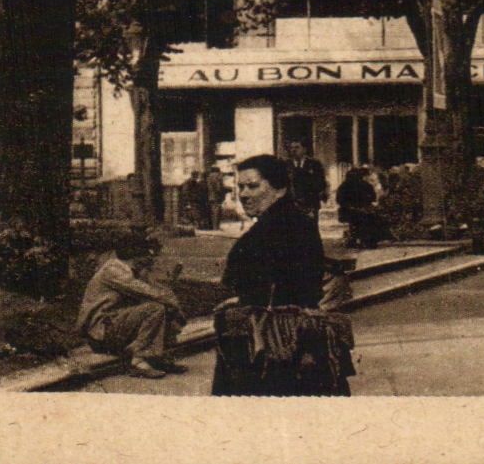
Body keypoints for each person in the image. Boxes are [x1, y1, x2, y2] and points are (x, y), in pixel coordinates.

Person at [212, 154, 352, 396]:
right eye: (240, 187)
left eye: (253, 186)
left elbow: (283, 286)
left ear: (279, 189)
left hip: (274, 342)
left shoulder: (278, 227)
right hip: (289, 335)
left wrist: (246, 302)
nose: (244, 194)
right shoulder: (289, 222)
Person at [77, 232, 186, 379]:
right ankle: (137, 361)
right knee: (155, 308)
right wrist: (175, 306)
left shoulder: (132, 271)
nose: (151, 258)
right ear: (136, 255)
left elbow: (159, 291)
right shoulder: (113, 270)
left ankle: (157, 357)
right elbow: (149, 292)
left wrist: (172, 304)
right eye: (147, 253)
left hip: (115, 327)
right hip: (102, 333)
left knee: (162, 306)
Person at [336, 166, 387, 249]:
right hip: (361, 211)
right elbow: (373, 198)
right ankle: (367, 239)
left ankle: (357, 238)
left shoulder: (343, 186)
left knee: (359, 220)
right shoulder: (366, 185)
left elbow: (339, 200)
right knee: (371, 217)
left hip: (347, 211)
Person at [285, 139, 329, 218]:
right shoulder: (286, 165)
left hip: (310, 205)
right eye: (292, 148)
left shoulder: (314, 164)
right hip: (291, 206)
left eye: (297, 147)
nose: (294, 150)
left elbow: (321, 182)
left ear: (304, 150)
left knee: (310, 228)